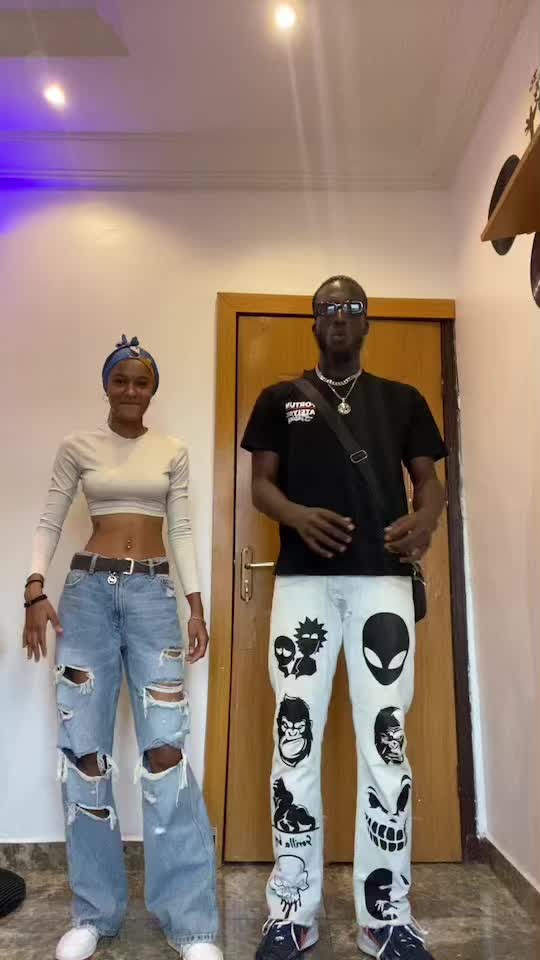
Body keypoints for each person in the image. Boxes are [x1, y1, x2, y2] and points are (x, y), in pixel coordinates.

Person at [241, 277, 446, 960]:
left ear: (367, 323)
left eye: (351, 308)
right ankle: (291, 912)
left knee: (386, 740)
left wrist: (425, 522)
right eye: (328, 308)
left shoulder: (403, 399)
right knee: (293, 740)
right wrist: (296, 516)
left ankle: (384, 915)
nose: (339, 317)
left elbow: (431, 482)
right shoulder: (280, 399)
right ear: (313, 323)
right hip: (303, 586)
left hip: (382, 584)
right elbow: (261, 485)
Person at [23, 335, 222, 960]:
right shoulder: (77, 447)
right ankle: (94, 913)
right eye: (121, 380)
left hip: (153, 597)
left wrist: (194, 604)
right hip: (86, 596)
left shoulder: (172, 451)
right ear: (106, 385)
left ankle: (190, 924)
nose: (131, 390)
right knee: (84, 751)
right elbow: (50, 519)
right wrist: (34, 590)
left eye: (142, 381)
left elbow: (180, 528)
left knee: (166, 751)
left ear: (152, 390)